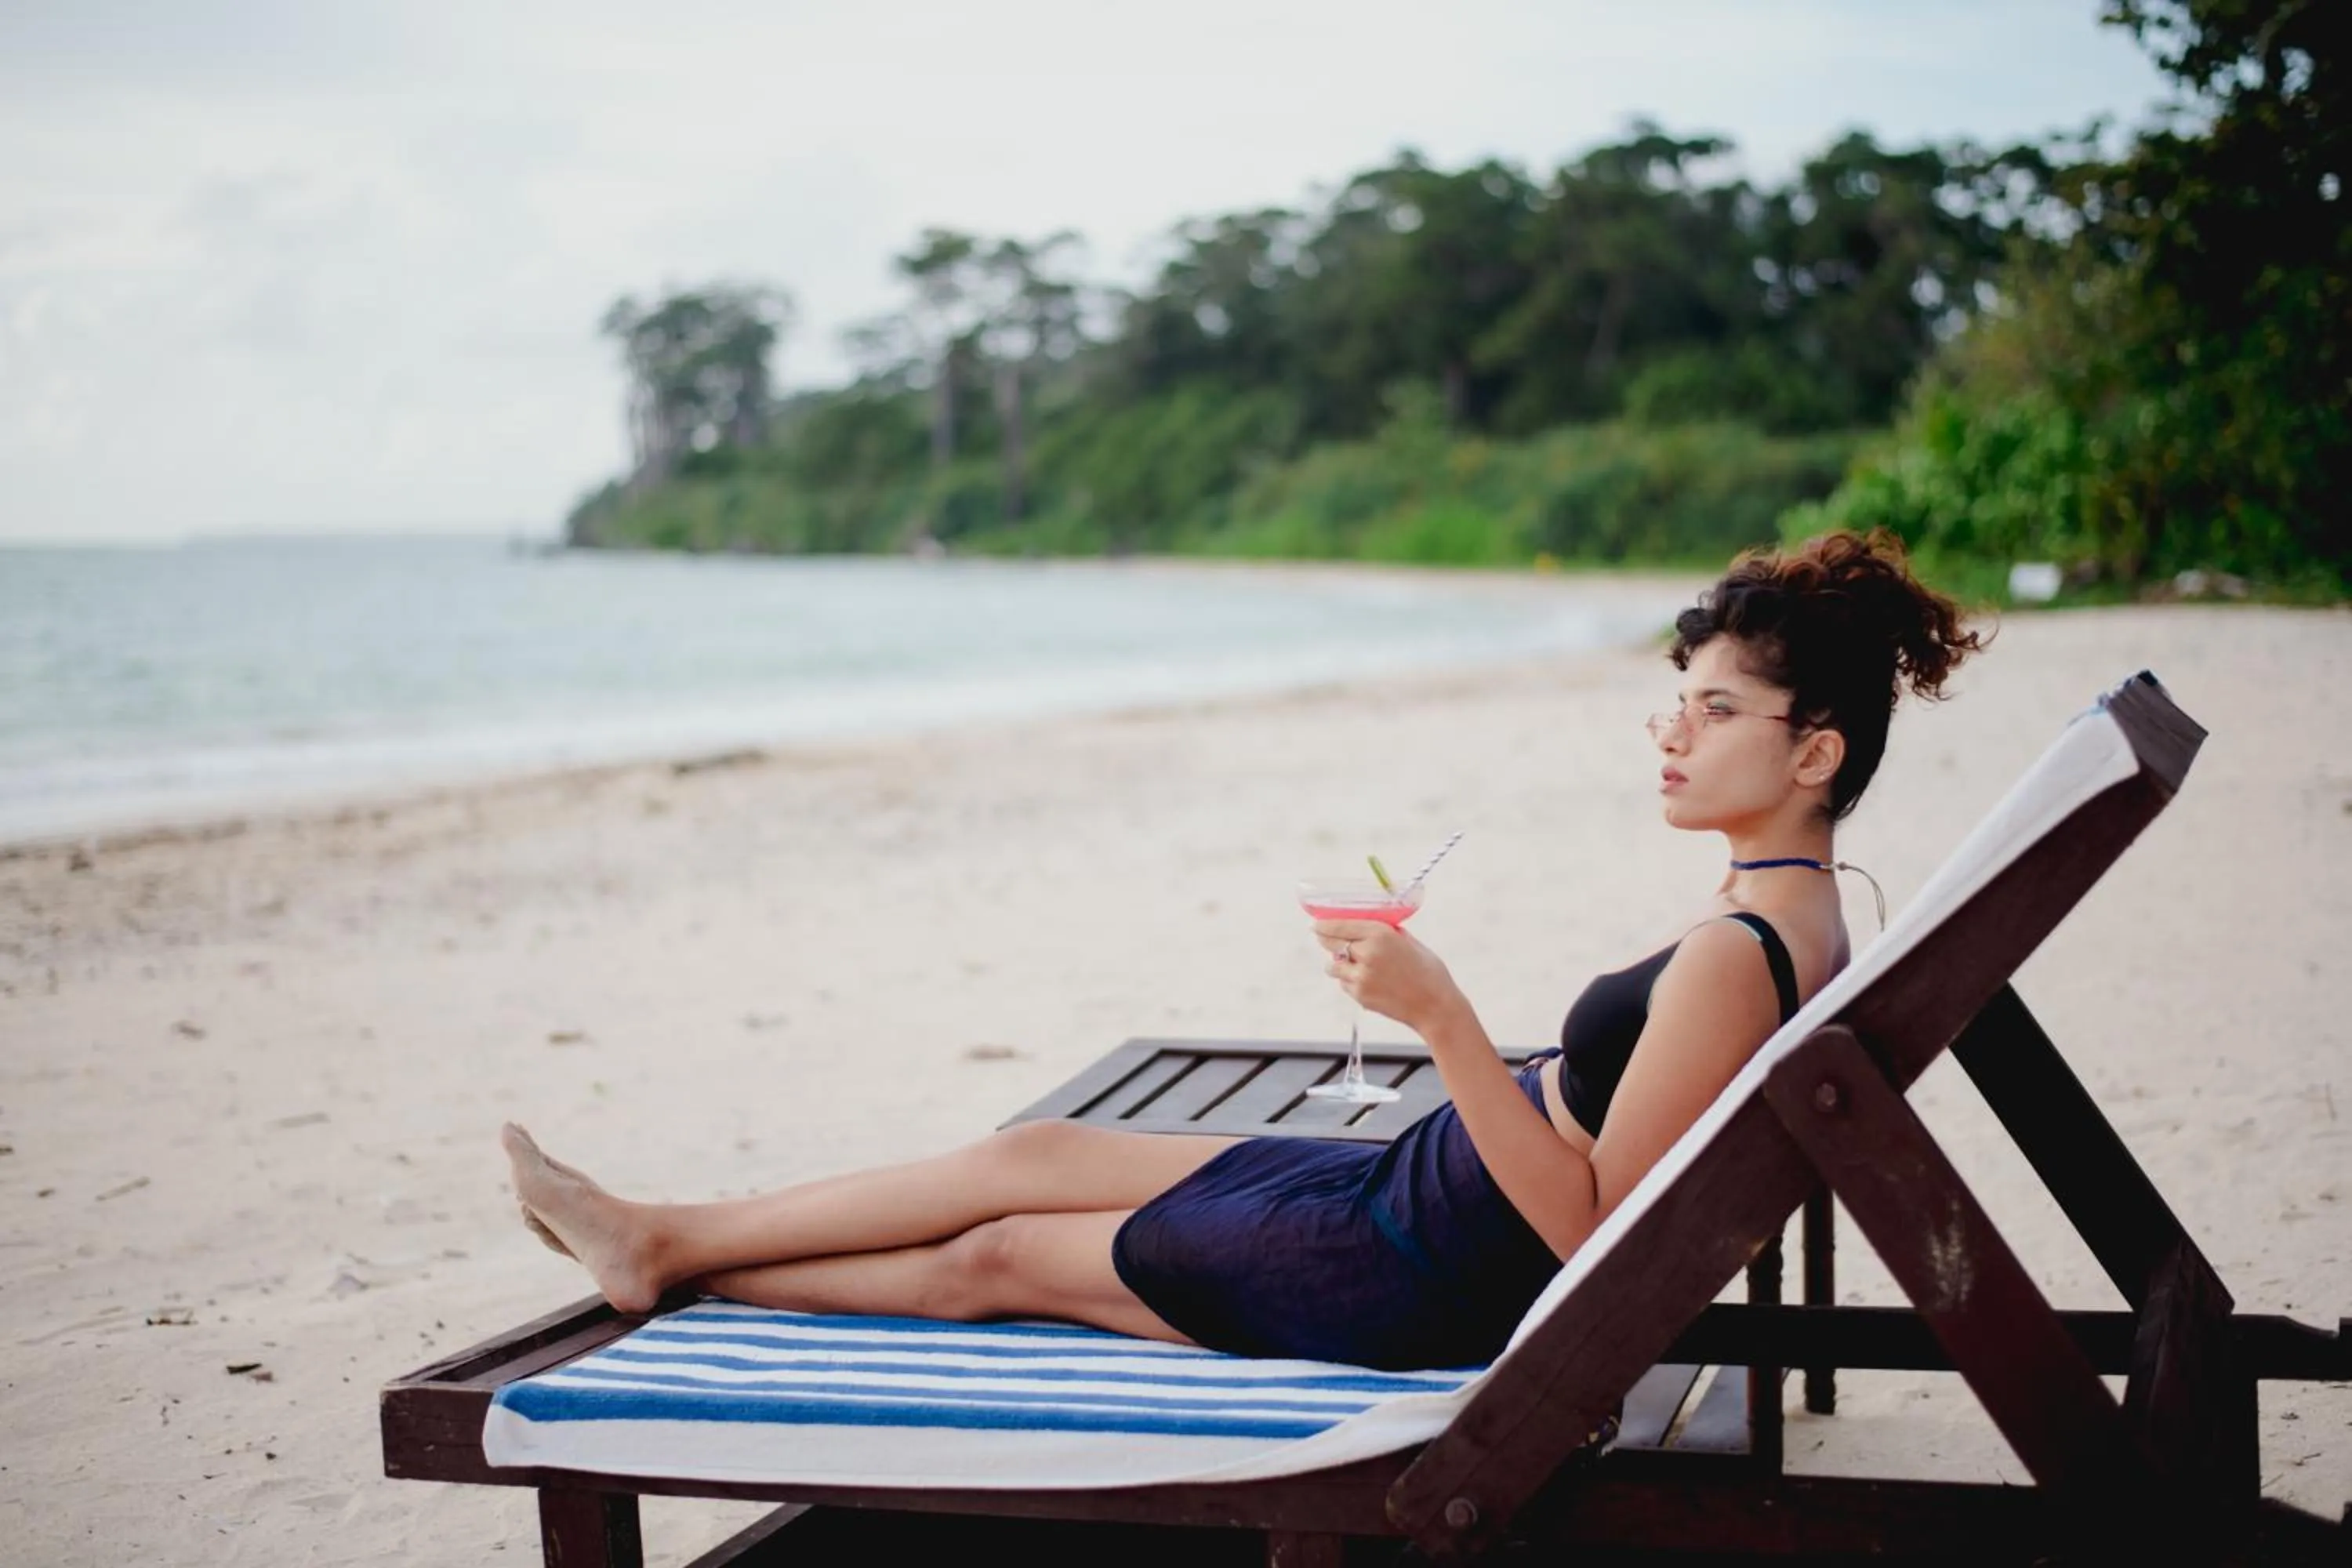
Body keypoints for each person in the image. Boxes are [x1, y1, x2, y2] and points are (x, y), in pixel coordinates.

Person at [503, 528, 1987, 1371]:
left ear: (1816, 753)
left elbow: (1590, 1234)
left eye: (1717, 712)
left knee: (997, 1258)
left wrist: (1442, 1019)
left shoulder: (1744, 948)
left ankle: (674, 1265)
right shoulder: (1793, 905)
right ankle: (667, 1233)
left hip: (1428, 1267)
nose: (1673, 732)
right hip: (1429, 1189)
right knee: (1035, 1154)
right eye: (1678, 697)